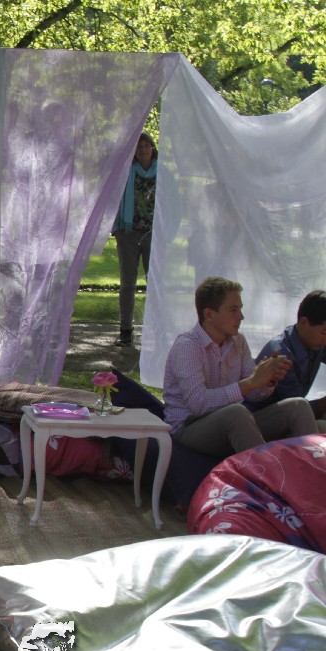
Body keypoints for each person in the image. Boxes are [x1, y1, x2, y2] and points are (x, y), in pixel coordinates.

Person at [163, 276, 316, 458]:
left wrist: (267, 379)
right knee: (235, 413)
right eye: (233, 310)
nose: (241, 316)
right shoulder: (187, 346)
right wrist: (250, 383)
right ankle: (268, 473)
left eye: (240, 309)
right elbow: (198, 404)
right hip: (189, 428)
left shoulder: (238, 342)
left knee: (298, 406)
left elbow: (254, 394)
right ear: (209, 314)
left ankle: (315, 471)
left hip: (234, 421)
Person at [245, 289, 326, 432]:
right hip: (257, 423)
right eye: (324, 332)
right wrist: (323, 404)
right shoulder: (281, 354)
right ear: (303, 322)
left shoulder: (314, 342)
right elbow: (298, 411)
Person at [112, 133, 157, 347]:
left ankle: (156, 330)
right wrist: (118, 229)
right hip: (128, 233)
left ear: (152, 148)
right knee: (127, 283)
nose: (143, 150)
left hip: (153, 235)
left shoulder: (162, 173)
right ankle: (126, 330)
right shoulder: (125, 172)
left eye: (146, 146)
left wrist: (168, 232)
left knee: (154, 283)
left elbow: (173, 202)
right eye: (139, 146)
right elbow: (113, 199)